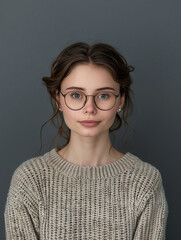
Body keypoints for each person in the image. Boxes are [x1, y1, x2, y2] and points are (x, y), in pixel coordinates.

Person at [4, 42, 169, 239]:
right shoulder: (30, 180)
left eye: (103, 95)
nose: (89, 108)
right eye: (76, 95)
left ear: (120, 100)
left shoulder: (145, 181)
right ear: (59, 100)